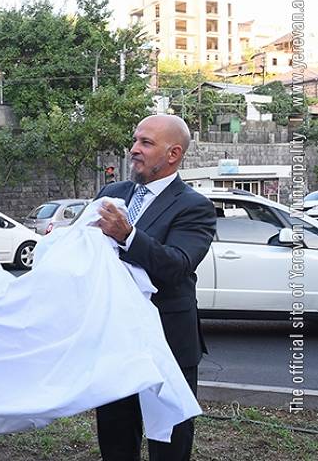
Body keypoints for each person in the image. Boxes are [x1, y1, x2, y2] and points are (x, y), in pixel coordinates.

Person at [94, 114, 217, 461]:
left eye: (146, 143)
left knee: (170, 446)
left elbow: (177, 265)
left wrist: (127, 235)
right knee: (116, 439)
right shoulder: (112, 193)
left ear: (173, 153)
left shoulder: (195, 206)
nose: (134, 150)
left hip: (168, 343)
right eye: (135, 140)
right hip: (116, 342)